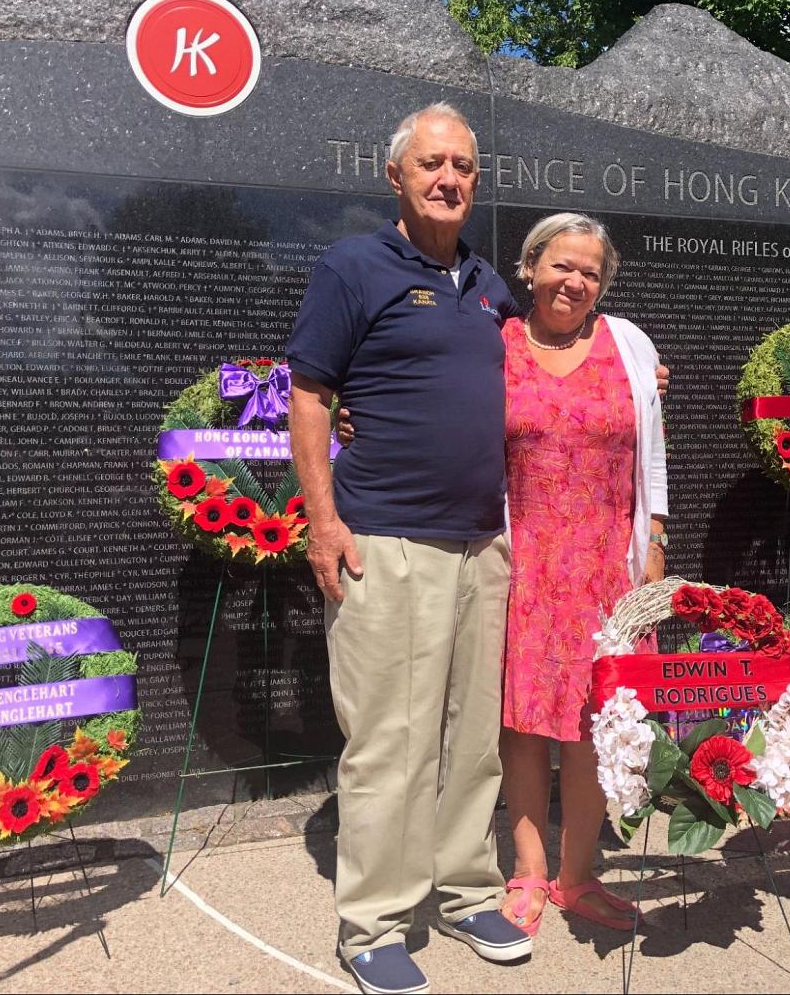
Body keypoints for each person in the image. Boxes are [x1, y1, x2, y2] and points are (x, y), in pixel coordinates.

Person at [286, 102, 533, 995]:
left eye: (464, 166)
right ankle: (376, 925)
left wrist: (637, 370)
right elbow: (309, 396)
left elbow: (549, 361)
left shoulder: (490, 283)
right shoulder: (352, 267)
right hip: (382, 543)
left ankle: (467, 892)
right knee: (389, 741)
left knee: (472, 740)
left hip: (480, 548)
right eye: (432, 163)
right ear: (395, 174)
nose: (449, 179)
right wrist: (323, 522)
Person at [495, 213, 668, 935]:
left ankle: (578, 877)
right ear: (530, 267)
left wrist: (654, 539)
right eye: (561, 265)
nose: (575, 281)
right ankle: (529, 873)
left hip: (607, 566)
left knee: (598, 725)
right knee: (525, 725)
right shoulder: (493, 345)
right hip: (521, 562)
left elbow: (651, 450)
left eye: (591, 272)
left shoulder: (629, 345)